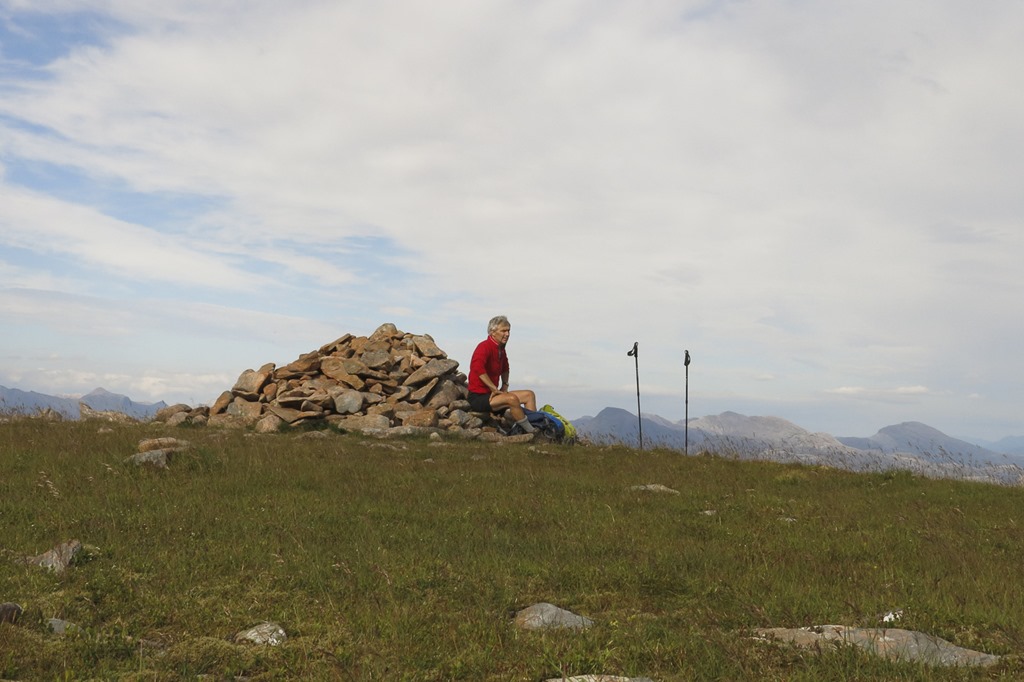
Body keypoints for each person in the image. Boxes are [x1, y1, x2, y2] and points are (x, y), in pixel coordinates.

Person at [467, 315, 537, 433]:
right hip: (478, 397)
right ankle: (531, 432)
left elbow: (505, 368)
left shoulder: (501, 349)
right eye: (503, 331)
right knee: (512, 399)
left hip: (494, 395)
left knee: (529, 395)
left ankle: (536, 424)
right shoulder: (484, 346)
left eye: (508, 331)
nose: (507, 334)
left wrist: (504, 385)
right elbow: (477, 368)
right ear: (492, 332)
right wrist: (493, 388)